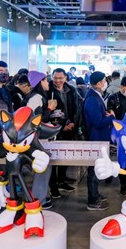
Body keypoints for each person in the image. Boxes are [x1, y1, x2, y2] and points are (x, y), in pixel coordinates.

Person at [24, 70, 57, 209]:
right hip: (35, 139)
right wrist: (49, 108)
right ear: (40, 82)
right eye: (45, 80)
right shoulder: (37, 98)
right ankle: (39, 199)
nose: (48, 83)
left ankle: (40, 196)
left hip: (32, 139)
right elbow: (37, 120)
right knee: (43, 166)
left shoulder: (33, 97)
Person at [82, 72, 115, 211]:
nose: (105, 83)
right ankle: (92, 200)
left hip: (99, 138)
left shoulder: (95, 96)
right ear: (98, 83)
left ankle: (95, 194)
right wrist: (111, 117)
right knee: (94, 169)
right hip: (96, 138)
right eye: (103, 81)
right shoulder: (92, 99)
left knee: (96, 168)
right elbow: (98, 122)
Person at [48, 68, 82, 197]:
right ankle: (53, 186)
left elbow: (76, 108)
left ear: (65, 78)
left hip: (70, 126)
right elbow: (48, 113)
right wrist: (61, 126)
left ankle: (62, 181)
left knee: (64, 155)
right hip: (54, 129)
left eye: (60, 78)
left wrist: (73, 123)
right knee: (53, 159)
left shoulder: (71, 90)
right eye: (55, 78)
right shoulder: (48, 91)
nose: (58, 81)